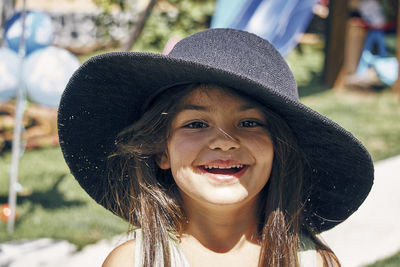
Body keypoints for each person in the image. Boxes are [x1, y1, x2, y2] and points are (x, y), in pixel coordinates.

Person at [57, 28, 374, 267]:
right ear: (161, 150)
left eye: (249, 123)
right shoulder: (135, 261)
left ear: (280, 150)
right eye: (196, 123)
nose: (224, 141)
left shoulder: (312, 261)